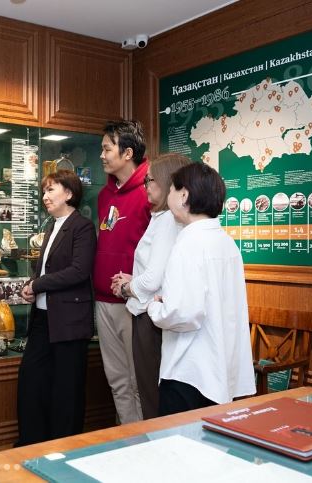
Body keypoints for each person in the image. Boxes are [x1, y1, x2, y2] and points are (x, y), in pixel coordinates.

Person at [147, 163, 255, 416]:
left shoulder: (188, 244)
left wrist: (155, 307)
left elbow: (182, 313)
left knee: (178, 439)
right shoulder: (226, 242)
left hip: (189, 370)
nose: (169, 195)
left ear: (184, 195)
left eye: (172, 189)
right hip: (220, 369)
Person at [17, 169, 96, 446]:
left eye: (51, 190)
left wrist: (37, 285)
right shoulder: (52, 227)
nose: (44, 196)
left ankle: (64, 447)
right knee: (32, 380)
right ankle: (32, 443)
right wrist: (31, 286)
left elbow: (78, 271)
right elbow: (45, 270)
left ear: (69, 193)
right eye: (44, 191)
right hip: (42, 318)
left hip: (69, 321)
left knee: (67, 389)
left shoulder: (82, 227)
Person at [110, 153, 190, 419]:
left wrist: (127, 288)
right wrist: (134, 280)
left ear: (167, 181)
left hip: (149, 317)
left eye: (150, 180)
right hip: (149, 313)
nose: (146, 186)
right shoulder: (162, 218)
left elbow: (154, 278)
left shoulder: (167, 220)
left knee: (150, 393)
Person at [93, 120, 151, 424]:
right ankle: (127, 438)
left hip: (134, 302)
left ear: (127, 153)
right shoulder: (104, 195)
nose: (101, 155)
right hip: (103, 299)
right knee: (116, 379)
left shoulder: (149, 192)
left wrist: (137, 285)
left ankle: (144, 440)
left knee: (139, 379)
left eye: (107, 149)